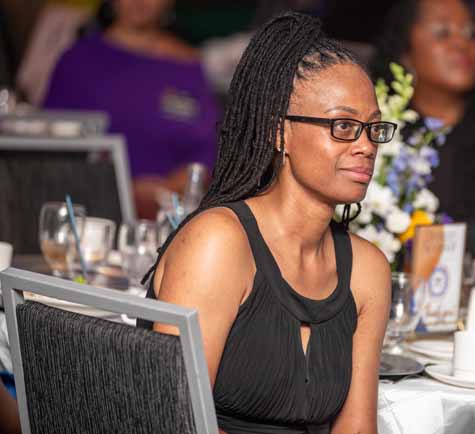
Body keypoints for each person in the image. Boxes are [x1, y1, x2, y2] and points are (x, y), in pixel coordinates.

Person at [140, 12, 391, 434]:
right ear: (279, 132)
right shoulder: (218, 244)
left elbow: (357, 428)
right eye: (344, 126)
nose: (366, 146)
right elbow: (176, 421)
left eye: (373, 128)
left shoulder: (368, 270)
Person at [370, 0, 475, 256]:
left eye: (471, 34)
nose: (462, 44)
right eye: (443, 32)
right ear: (404, 50)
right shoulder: (383, 135)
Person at [42, 0, 220, 218]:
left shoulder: (188, 65)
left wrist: (173, 186)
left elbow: (208, 149)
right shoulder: (77, 62)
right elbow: (50, 150)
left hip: (171, 220)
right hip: (91, 218)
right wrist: (123, 190)